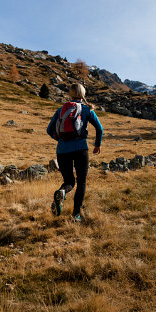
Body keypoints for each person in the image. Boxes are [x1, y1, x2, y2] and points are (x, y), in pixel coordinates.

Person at [47, 83, 103, 222]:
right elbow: (99, 128)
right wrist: (97, 145)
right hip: (80, 149)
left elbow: (49, 130)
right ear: (83, 95)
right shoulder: (87, 109)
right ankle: (76, 215)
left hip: (62, 150)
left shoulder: (61, 110)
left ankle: (63, 192)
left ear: (70, 94)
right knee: (81, 182)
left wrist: (61, 140)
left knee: (69, 181)